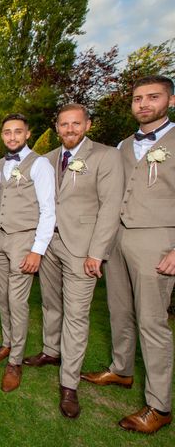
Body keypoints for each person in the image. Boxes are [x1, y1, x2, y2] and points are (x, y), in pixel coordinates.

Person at [81, 75, 175, 433]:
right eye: (138, 99)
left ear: (170, 100)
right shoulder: (121, 146)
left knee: (152, 322)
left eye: (153, 97)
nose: (144, 104)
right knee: (119, 310)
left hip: (157, 239)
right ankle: (121, 369)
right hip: (117, 239)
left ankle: (159, 405)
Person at [22, 104, 122, 418]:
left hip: (81, 247)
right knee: (50, 303)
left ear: (87, 125)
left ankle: (69, 385)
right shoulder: (48, 159)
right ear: (57, 126)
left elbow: (110, 207)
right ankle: (51, 351)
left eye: (75, 124)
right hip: (49, 242)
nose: (69, 129)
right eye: (64, 124)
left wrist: (97, 252)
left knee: (76, 315)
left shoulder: (106, 156)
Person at [0, 113, 55, 392]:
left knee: (18, 301)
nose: (12, 137)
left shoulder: (40, 164)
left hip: (23, 241)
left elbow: (49, 210)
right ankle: (7, 343)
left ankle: (15, 362)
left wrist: (37, 250)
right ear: (2, 135)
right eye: (7, 132)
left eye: (18, 132)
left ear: (28, 134)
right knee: (3, 297)